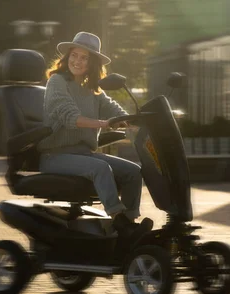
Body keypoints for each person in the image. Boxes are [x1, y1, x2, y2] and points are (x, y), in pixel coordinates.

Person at [39, 32, 152, 238]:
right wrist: (103, 123)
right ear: (67, 57)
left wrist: (137, 120)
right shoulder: (57, 82)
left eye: (84, 57)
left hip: (83, 153)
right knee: (101, 168)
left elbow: (114, 110)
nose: (77, 61)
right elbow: (70, 117)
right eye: (74, 55)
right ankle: (118, 221)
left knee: (134, 172)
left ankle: (129, 223)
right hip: (54, 155)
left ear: (92, 63)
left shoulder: (92, 89)